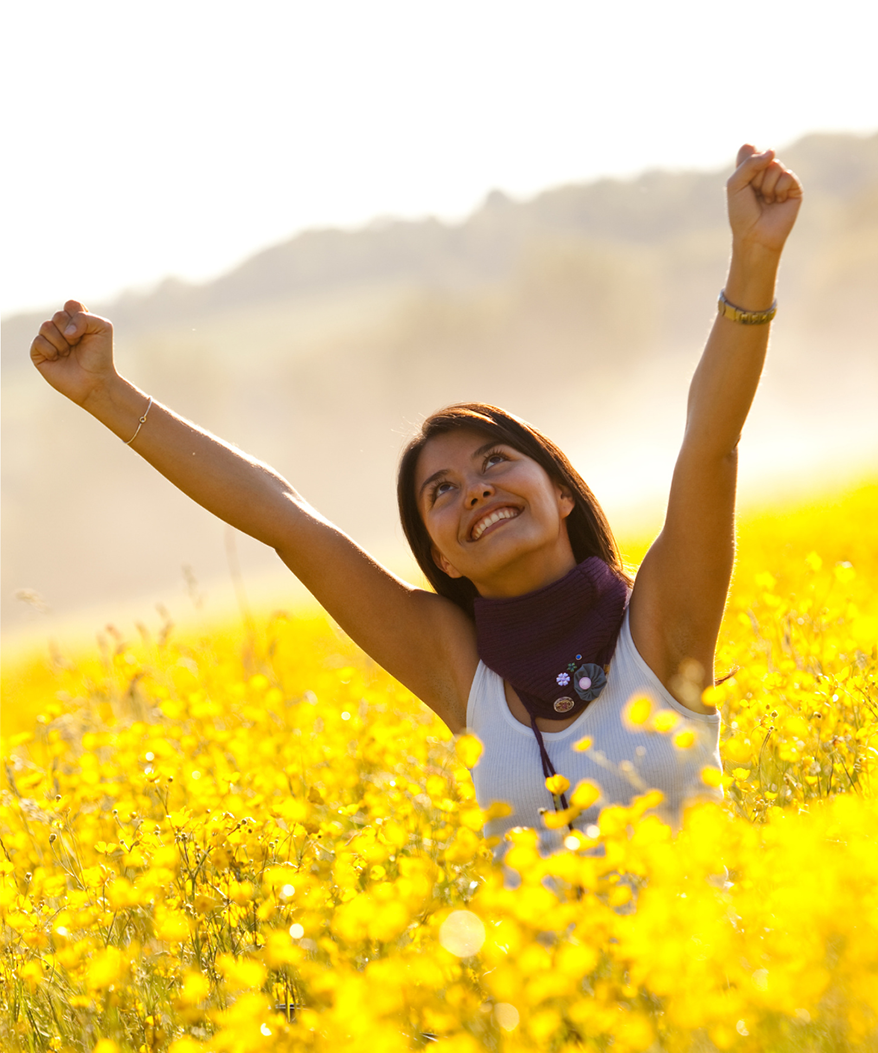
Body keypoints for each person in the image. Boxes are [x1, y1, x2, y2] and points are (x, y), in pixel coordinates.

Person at [30, 145, 802, 850]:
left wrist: (752, 257)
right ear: (439, 554)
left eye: (496, 461)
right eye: (443, 490)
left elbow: (711, 441)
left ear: (561, 491)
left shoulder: (663, 632)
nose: (476, 490)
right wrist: (103, 392)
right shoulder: (459, 671)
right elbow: (285, 521)